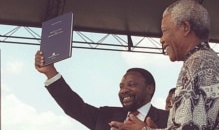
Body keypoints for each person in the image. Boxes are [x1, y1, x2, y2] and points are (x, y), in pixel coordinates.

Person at [109, 0, 219, 130]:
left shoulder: (199, 64)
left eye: (165, 31)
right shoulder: (210, 61)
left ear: (185, 28)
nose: (161, 39)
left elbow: (191, 128)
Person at [34, 52, 168, 130]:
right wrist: (50, 72)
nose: (124, 90)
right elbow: (73, 106)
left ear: (149, 88)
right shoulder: (105, 116)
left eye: (131, 85)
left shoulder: (169, 119)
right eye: (121, 86)